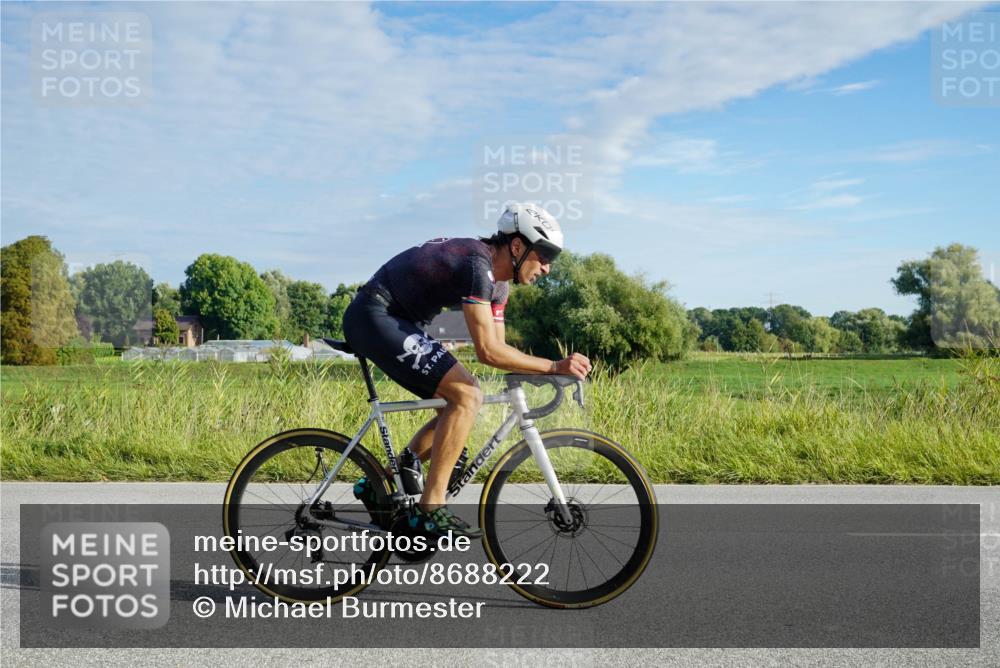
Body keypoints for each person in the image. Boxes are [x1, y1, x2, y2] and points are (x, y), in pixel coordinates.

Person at [342, 203, 591, 538]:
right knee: (467, 395)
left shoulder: (498, 286)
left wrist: (543, 372)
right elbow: (487, 351)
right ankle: (431, 510)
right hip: (374, 315)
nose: (547, 268)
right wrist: (554, 365)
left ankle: (380, 483)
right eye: (544, 255)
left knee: (457, 402)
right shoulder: (477, 265)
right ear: (517, 246)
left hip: (399, 321)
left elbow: (499, 349)